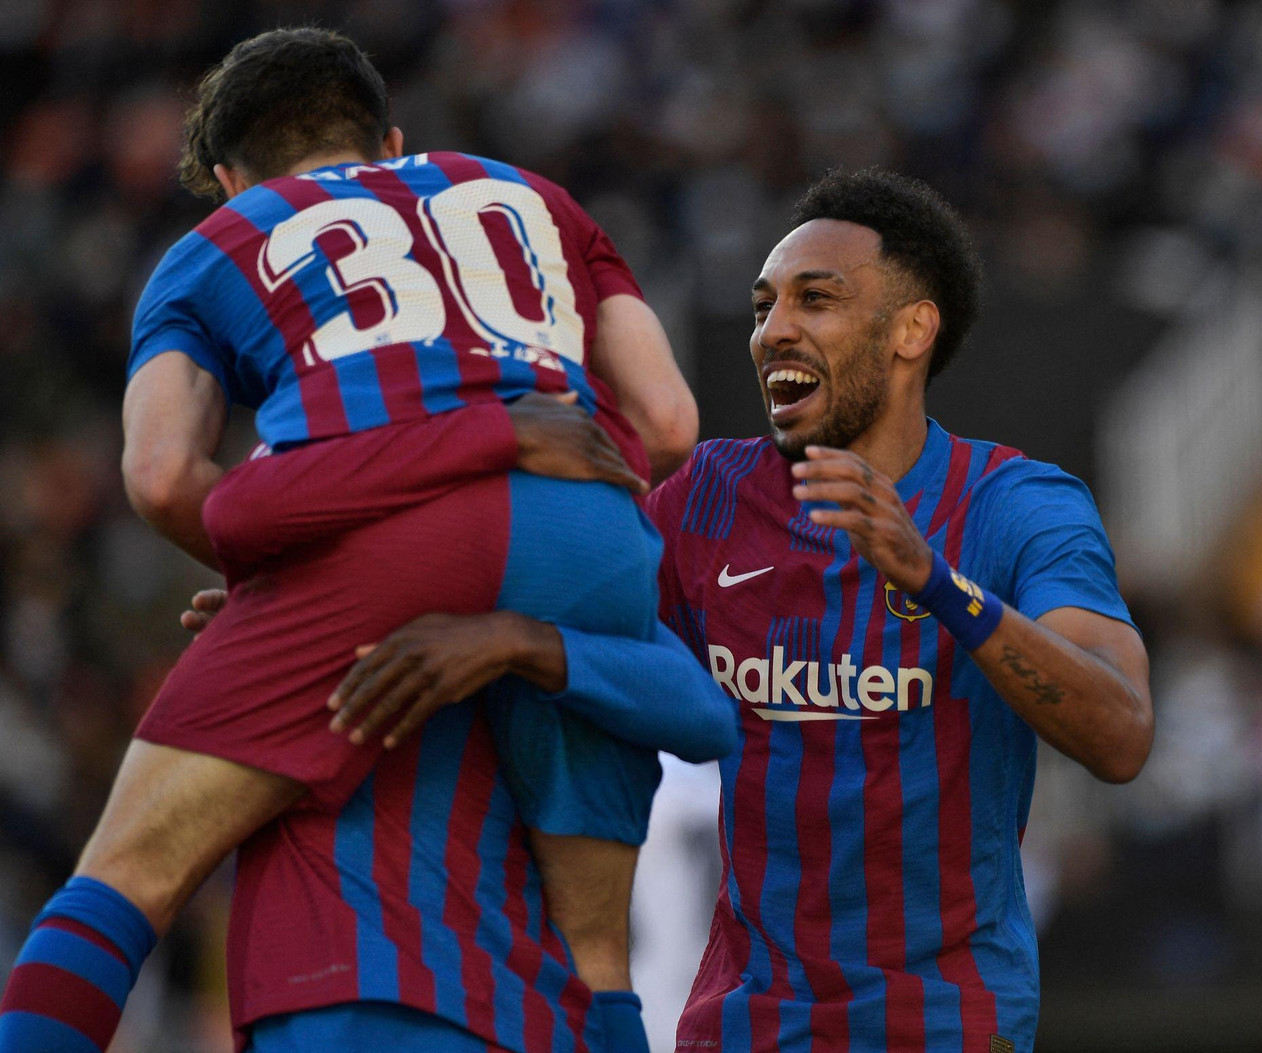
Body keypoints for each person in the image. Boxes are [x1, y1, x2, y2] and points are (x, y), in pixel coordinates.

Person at [0, 26, 737, 1053]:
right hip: (592, 524)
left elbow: (159, 474)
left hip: (382, 526)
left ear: (229, 180)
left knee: (123, 876)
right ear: (390, 142)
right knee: (597, 958)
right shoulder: (534, 195)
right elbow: (668, 421)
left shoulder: (214, 243)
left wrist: (275, 577)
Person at [313, 168, 1154, 1052]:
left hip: (942, 1021)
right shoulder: (710, 497)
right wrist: (321, 592)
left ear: (912, 330)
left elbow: (1121, 732)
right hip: (744, 1020)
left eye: (815, 299)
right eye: (763, 306)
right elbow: (531, 608)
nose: (774, 328)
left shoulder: (1016, 505)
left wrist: (936, 581)